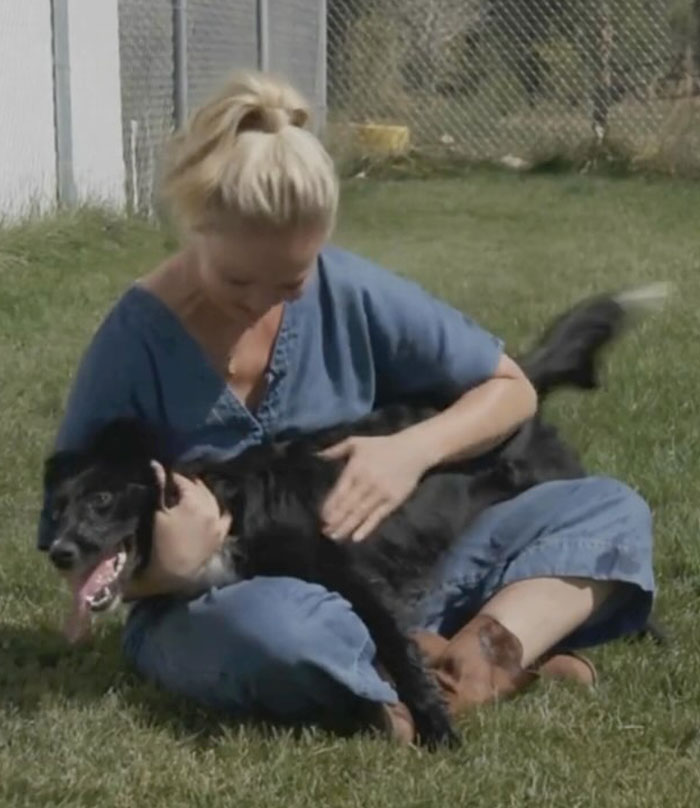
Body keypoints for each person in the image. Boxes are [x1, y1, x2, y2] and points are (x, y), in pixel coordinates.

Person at [37, 71, 654, 745]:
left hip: (411, 570)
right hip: (235, 600)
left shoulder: (350, 290)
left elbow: (511, 389)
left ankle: (467, 661)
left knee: (611, 510)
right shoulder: (134, 345)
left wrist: (410, 450)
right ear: (194, 226)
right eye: (237, 278)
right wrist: (163, 572)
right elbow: (67, 526)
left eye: (292, 281)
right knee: (275, 634)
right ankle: (490, 650)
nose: (263, 302)